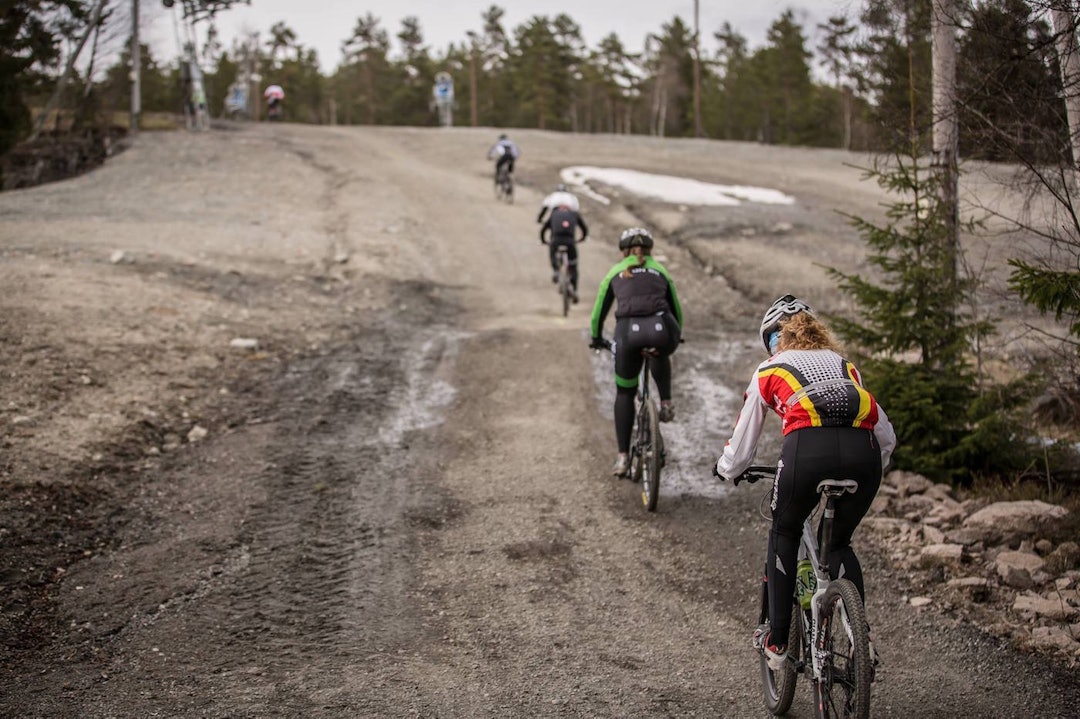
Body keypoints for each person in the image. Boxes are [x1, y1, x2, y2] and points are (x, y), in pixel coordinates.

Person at [711, 295, 896, 672]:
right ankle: (861, 638)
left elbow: (742, 447)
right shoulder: (845, 366)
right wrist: (869, 468)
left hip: (807, 452)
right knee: (839, 543)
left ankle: (778, 642)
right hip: (863, 455)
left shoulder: (770, 368)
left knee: (785, 530)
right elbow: (886, 436)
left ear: (773, 339)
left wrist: (727, 469)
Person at [589, 228, 683, 477]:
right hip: (662, 330)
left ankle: (622, 457)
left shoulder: (615, 271)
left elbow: (598, 313)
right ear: (650, 250)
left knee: (625, 392)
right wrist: (676, 336)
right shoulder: (660, 270)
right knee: (659, 352)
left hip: (628, 335)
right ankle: (666, 402)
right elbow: (676, 310)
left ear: (623, 251)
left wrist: (596, 338)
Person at [540, 202, 588, 301]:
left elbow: (543, 229)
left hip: (555, 241)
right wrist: (582, 238)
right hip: (570, 242)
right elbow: (584, 229)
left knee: (552, 252)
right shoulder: (574, 214)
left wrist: (543, 240)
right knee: (573, 265)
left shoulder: (554, 214)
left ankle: (556, 270)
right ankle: (574, 289)